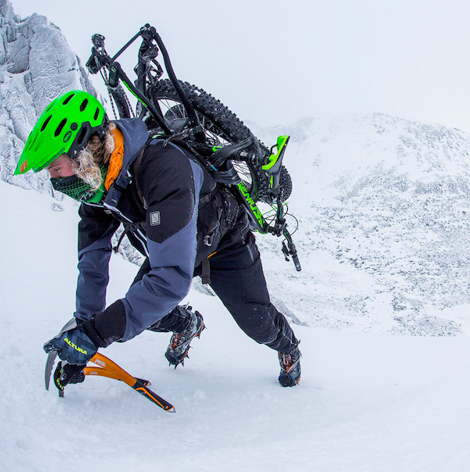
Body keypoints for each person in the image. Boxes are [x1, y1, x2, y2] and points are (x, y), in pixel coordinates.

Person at [15, 90, 301, 390]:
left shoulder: (164, 168)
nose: (55, 181)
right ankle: (189, 323)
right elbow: (92, 261)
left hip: (225, 243)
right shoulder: (98, 185)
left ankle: (289, 347)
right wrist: (84, 330)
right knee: (145, 310)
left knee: (257, 323)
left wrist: (94, 335)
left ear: (83, 152)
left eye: (55, 168)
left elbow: (169, 281)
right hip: (172, 247)